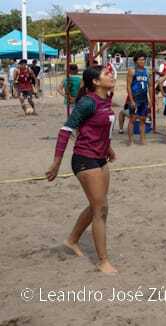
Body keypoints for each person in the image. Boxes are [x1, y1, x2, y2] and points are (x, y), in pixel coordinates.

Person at [45, 65, 118, 273]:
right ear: (95, 82)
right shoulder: (87, 102)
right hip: (84, 158)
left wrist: (109, 148)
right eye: (106, 74)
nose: (111, 75)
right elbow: (65, 130)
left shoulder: (106, 100)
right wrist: (56, 162)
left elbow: (97, 128)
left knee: (99, 205)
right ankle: (103, 261)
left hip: (101, 157)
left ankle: (71, 241)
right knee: (101, 208)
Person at [125, 54, 151, 145]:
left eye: (143, 60)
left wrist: (150, 100)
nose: (142, 61)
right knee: (132, 119)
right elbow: (128, 86)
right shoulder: (132, 71)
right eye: (140, 60)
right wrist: (131, 100)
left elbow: (150, 86)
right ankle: (130, 140)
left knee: (143, 119)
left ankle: (142, 139)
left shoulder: (147, 72)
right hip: (135, 98)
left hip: (144, 99)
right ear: (136, 61)